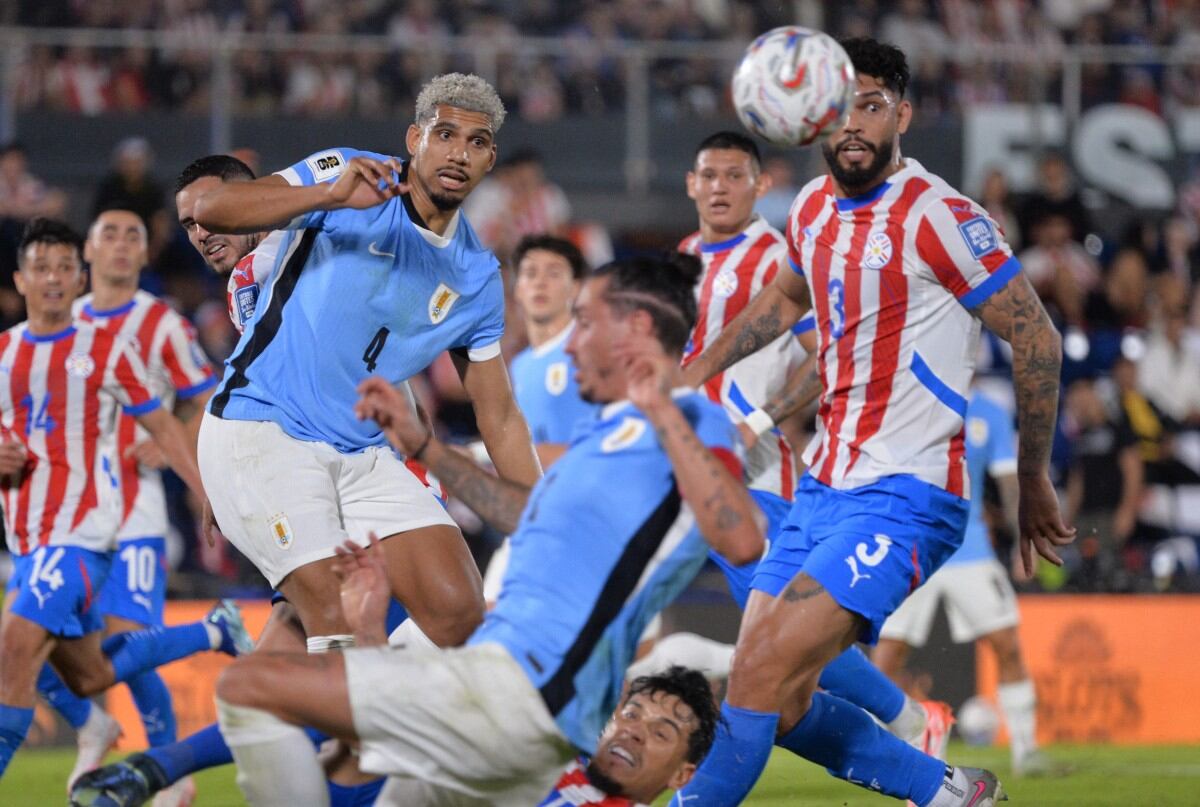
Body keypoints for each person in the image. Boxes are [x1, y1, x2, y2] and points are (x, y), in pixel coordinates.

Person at [673, 37, 1073, 807]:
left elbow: (1036, 336)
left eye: (872, 105)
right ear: (813, 117)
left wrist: (1031, 477)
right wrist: (693, 375)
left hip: (909, 491)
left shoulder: (939, 215)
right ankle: (950, 790)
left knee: (753, 677)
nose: (854, 124)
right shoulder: (814, 209)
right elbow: (788, 301)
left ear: (903, 115)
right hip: (824, 486)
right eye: (842, 106)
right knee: (782, 700)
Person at [212, 252, 763, 806]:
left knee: (248, 687)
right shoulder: (610, 435)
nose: (571, 342)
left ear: (637, 328)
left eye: (586, 323)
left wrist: (661, 408)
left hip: (521, 693)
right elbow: (520, 515)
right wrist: (425, 446)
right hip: (513, 704)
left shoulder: (691, 419)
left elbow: (739, 538)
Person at [676, 129, 950, 752]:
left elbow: (828, 357)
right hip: (684, 470)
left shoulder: (777, 258)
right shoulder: (683, 257)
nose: (719, 187)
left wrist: (758, 421)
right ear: (690, 184)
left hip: (755, 476)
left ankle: (906, 720)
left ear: (760, 185)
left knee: (778, 629)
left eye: (734, 175)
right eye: (708, 175)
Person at [0, 219, 251, 779]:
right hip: (30, 536)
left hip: (97, 525)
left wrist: (201, 481)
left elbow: (177, 415)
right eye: (42, 268)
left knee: (16, 645)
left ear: (79, 271)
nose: (54, 279)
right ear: (21, 280)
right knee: (85, 672)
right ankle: (212, 633)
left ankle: (164, 773)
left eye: (64, 268)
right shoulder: (9, 351)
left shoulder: (128, 337)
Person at [874, 388, 1050, 776]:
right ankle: (883, 756)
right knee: (886, 655)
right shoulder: (910, 396)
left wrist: (1024, 536)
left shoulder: (990, 410)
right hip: (911, 547)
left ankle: (1026, 751)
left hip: (970, 548)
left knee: (1007, 645)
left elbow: (1008, 480)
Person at [508, 234, 596, 467]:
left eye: (554, 273)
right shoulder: (518, 366)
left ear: (576, 288)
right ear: (517, 288)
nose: (540, 282)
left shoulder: (591, 351)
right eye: (530, 273)